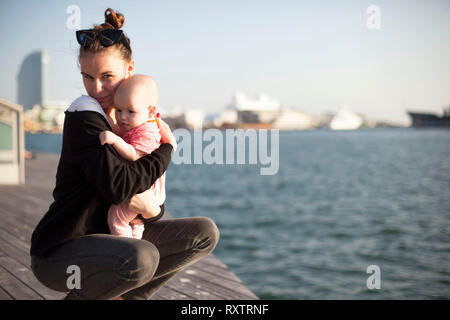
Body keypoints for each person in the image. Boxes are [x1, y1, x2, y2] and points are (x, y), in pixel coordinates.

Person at [30, 8, 219, 300]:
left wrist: (153, 211)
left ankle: (130, 297)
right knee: (141, 257)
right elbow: (120, 188)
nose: (96, 88)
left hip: (110, 239)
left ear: (129, 70)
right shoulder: (85, 118)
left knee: (204, 233)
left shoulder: (131, 123)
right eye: (87, 77)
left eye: (107, 76)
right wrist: (167, 150)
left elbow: (140, 200)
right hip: (62, 250)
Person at [100, 74, 166, 239]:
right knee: (135, 222)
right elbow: (121, 131)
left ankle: (127, 248)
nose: (122, 117)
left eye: (131, 111)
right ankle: (137, 243)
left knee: (116, 218)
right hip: (143, 190)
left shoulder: (148, 132)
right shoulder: (136, 126)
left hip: (147, 193)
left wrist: (115, 140)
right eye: (119, 110)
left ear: (150, 111)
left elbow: (136, 155)